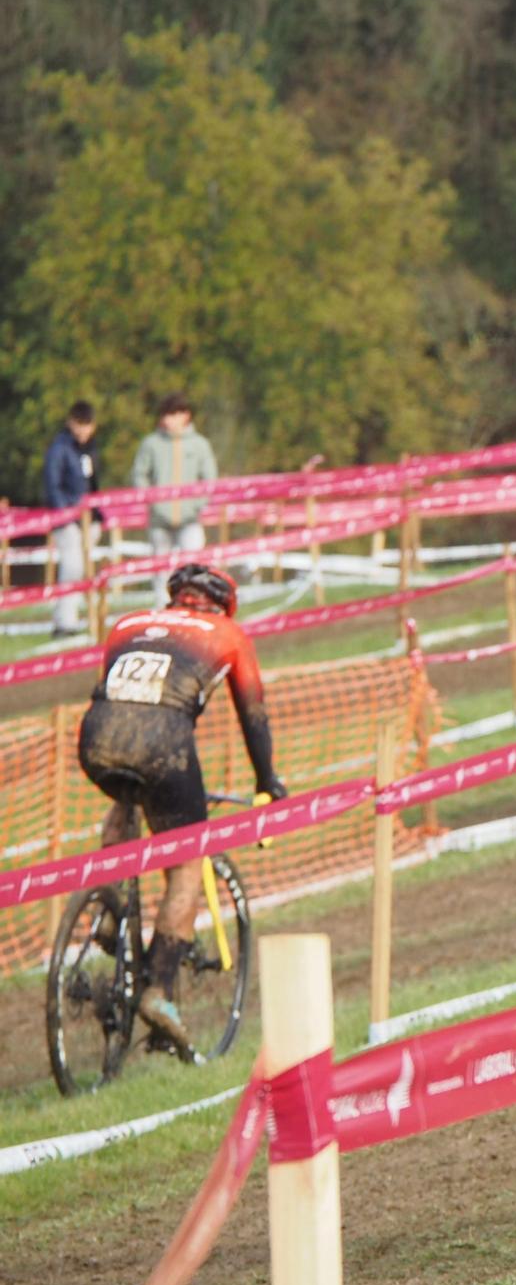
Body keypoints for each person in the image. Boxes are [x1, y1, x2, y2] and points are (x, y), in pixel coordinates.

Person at [76, 563, 286, 1055]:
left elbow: (120, 695)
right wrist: (267, 782)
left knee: (127, 794)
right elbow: (253, 715)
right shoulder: (228, 633)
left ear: (175, 598)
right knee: (188, 861)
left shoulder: (127, 624)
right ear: (223, 604)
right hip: (165, 746)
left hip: (95, 737)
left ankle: (109, 908)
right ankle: (160, 991)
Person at [131, 393, 219, 607]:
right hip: (159, 519)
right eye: (166, 415)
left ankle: (193, 604)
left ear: (185, 416)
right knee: (161, 569)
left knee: (194, 564)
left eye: (174, 414)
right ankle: (162, 608)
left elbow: (209, 478)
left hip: (190, 518)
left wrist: (197, 505)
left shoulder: (199, 445)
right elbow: (139, 474)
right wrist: (151, 500)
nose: (168, 420)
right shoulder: (151, 444)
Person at [42, 401, 100, 638]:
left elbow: (93, 482)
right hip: (67, 519)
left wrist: (97, 513)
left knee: (83, 570)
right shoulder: (58, 449)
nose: (83, 431)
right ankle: (64, 621)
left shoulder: (91, 449)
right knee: (72, 567)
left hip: (89, 518)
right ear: (70, 423)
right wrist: (68, 515)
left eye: (87, 425)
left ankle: (73, 618)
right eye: (79, 425)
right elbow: (53, 486)